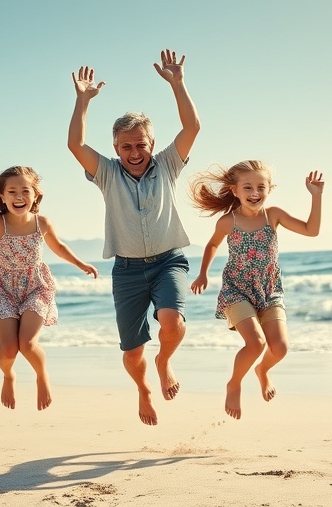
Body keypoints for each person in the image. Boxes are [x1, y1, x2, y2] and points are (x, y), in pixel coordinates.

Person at [67, 49, 201, 426]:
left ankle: (164, 362)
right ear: (115, 149)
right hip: (126, 271)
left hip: (168, 261)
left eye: (141, 144)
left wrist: (178, 84)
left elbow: (192, 129)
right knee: (131, 351)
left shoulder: (169, 165)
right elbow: (75, 145)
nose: (134, 152)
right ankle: (143, 390)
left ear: (152, 143)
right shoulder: (107, 174)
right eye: (126, 146)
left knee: (173, 323)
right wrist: (82, 101)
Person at [0, 166, 98, 411]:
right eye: (12, 191)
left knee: (27, 345)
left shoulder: (42, 223)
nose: (19, 197)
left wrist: (80, 263)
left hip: (35, 287)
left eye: (25, 191)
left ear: (35, 195)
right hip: (1, 289)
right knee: (9, 349)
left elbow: (59, 248)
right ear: (3, 196)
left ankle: (42, 376)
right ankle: (8, 376)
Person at [189, 160, 324, 419]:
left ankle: (262, 371)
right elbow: (212, 245)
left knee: (280, 347)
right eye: (248, 187)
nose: (255, 193)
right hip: (236, 290)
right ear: (234, 190)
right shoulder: (228, 221)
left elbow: (311, 230)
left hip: (270, 289)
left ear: (269, 188)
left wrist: (316, 197)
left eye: (261, 187)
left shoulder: (273, 215)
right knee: (256, 343)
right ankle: (234, 384)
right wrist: (203, 273)